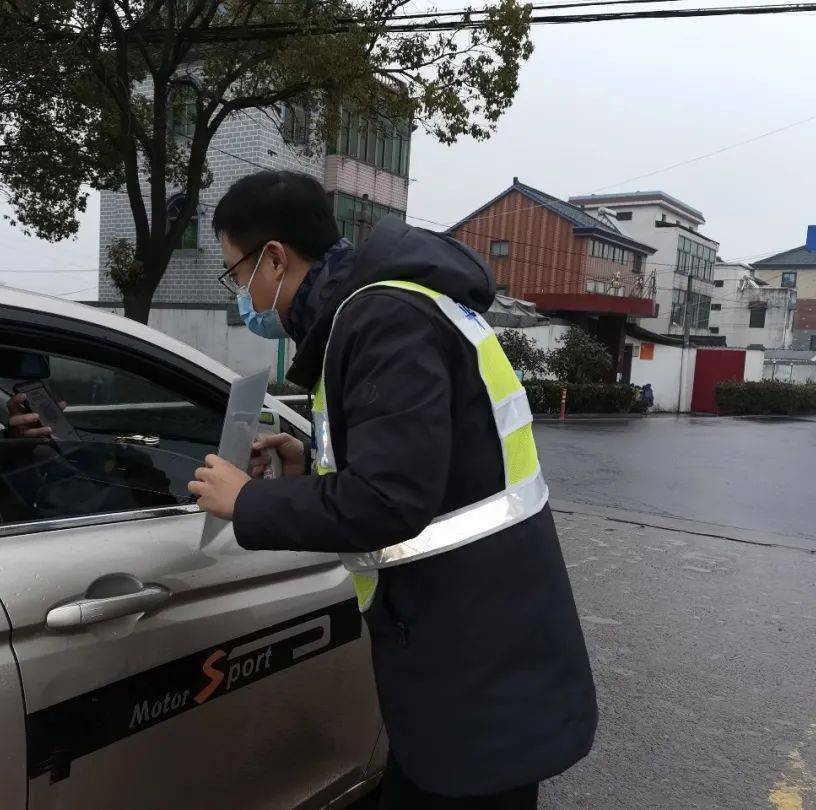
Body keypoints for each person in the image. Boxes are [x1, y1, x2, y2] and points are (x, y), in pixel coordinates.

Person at [187, 171, 597, 809]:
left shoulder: (378, 318)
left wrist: (247, 501)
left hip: (472, 661)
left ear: (273, 257)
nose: (241, 294)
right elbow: (428, 468)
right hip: (479, 640)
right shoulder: (379, 311)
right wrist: (308, 468)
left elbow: (389, 499)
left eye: (236, 274)